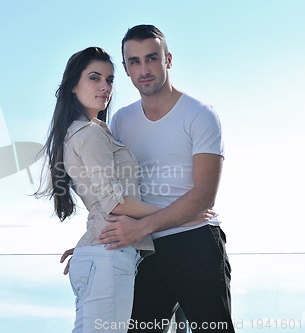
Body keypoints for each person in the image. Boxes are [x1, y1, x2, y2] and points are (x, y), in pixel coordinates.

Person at [97, 25, 235, 332]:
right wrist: (90, 244)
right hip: (144, 252)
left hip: (196, 243)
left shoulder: (200, 115)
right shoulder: (121, 120)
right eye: (134, 61)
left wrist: (141, 227)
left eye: (152, 58)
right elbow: (112, 191)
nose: (144, 70)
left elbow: (203, 196)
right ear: (126, 69)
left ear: (168, 59)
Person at [36, 46, 165, 333]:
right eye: (94, 78)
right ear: (72, 86)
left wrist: (88, 243)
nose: (105, 87)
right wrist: (176, 213)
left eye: (109, 80)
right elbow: (113, 202)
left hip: (98, 254)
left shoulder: (88, 130)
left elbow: (99, 201)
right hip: (108, 257)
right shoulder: (90, 132)